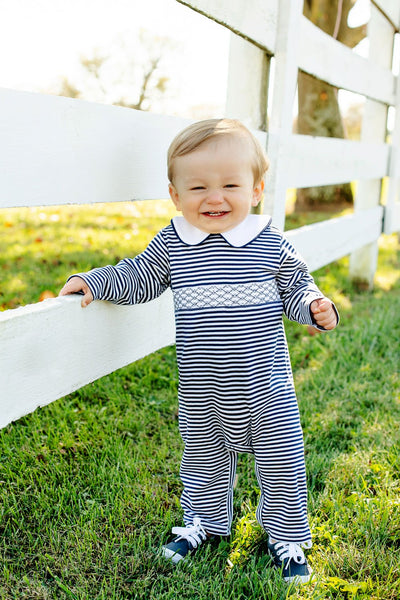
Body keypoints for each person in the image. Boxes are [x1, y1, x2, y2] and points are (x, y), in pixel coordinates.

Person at [59, 118, 338, 584]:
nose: (214, 197)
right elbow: (138, 276)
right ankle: (204, 524)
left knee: (281, 463)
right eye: (198, 187)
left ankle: (287, 539)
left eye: (230, 184)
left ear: (255, 190)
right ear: (175, 195)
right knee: (204, 458)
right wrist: (96, 280)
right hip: (201, 387)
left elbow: (296, 287)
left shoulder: (269, 242)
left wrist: (314, 306)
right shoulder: (174, 243)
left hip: (266, 388)